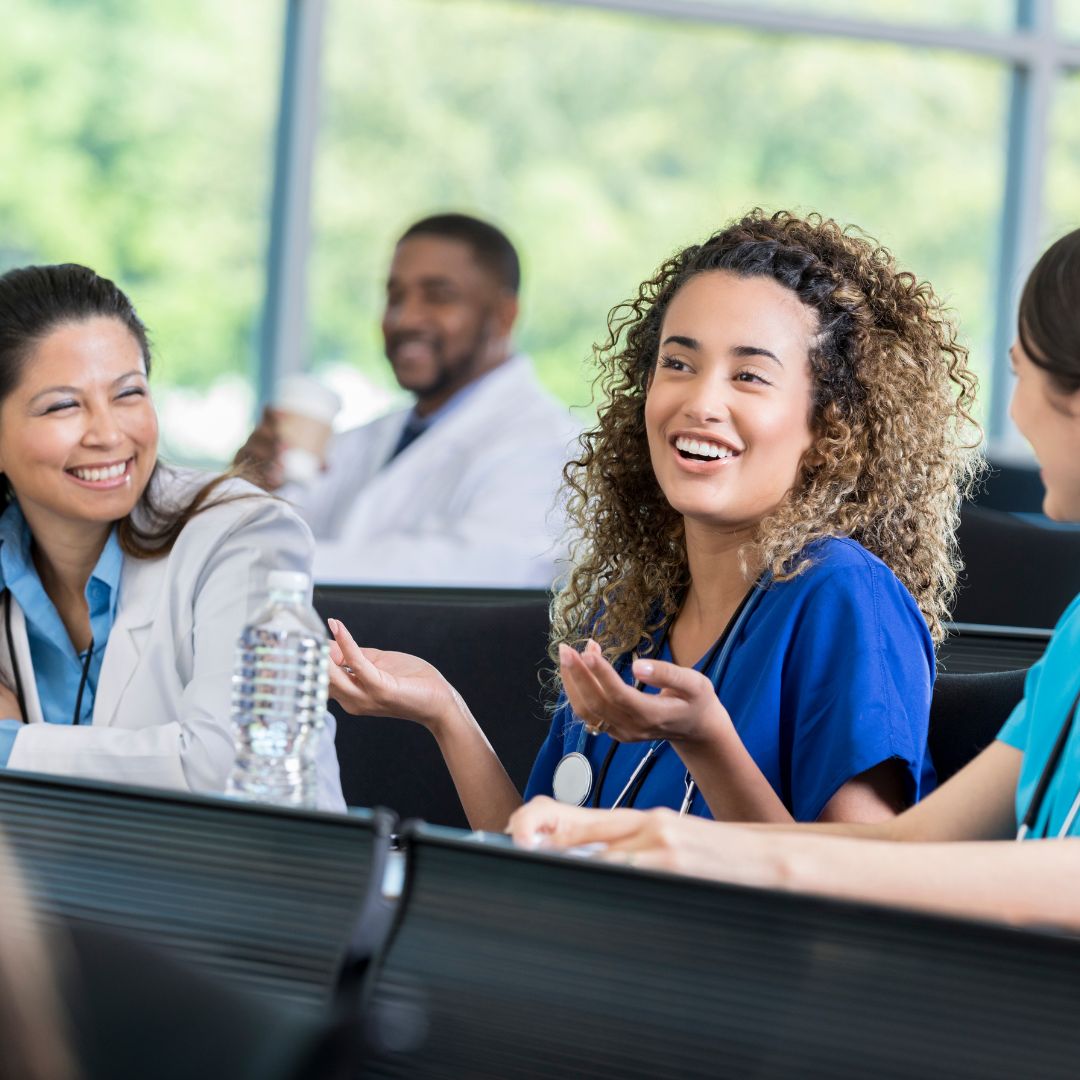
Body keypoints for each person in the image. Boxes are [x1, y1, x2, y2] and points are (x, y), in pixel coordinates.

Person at [327, 209, 980, 832]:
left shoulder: (842, 594)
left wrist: (705, 743)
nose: (701, 401)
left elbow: (858, 898)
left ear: (827, 424)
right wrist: (446, 712)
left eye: (749, 376)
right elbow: (542, 861)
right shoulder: (632, 606)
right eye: (678, 363)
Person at [506, 226, 1080, 933]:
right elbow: (903, 853)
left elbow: (881, 894)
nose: (1014, 413)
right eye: (677, 364)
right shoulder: (1075, 639)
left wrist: (709, 840)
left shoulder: (839, 592)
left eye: (1022, 375)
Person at [0, 263, 344, 810]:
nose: (109, 433)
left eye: (128, 394)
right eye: (64, 405)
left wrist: (13, 747)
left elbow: (227, 766)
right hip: (61, 886)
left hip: (247, 880)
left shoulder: (244, 534)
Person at [236, 212, 577, 588]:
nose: (404, 318)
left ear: (502, 315)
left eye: (438, 297)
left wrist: (274, 562)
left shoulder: (550, 448)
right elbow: (272, 534)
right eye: (394, 296)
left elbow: (468, 570)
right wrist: (250, 483)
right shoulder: (368, 439)